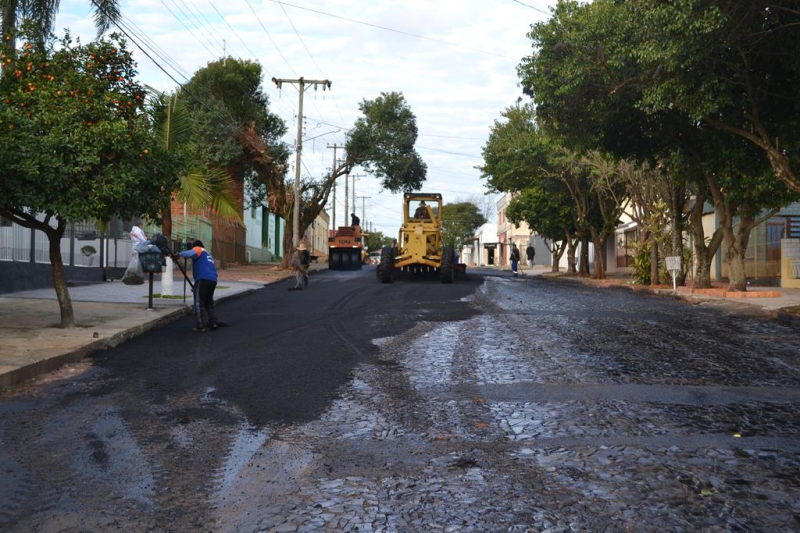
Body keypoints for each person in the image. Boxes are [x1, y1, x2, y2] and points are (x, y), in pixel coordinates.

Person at [176, 240, 218, 332]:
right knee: (209, 302)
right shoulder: (208, 254)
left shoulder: (199, 249)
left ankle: (200, 325)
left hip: (203, 278)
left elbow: (191, 253)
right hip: (213, 280)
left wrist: (179, 254)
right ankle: (213, 322)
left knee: (199, 302)